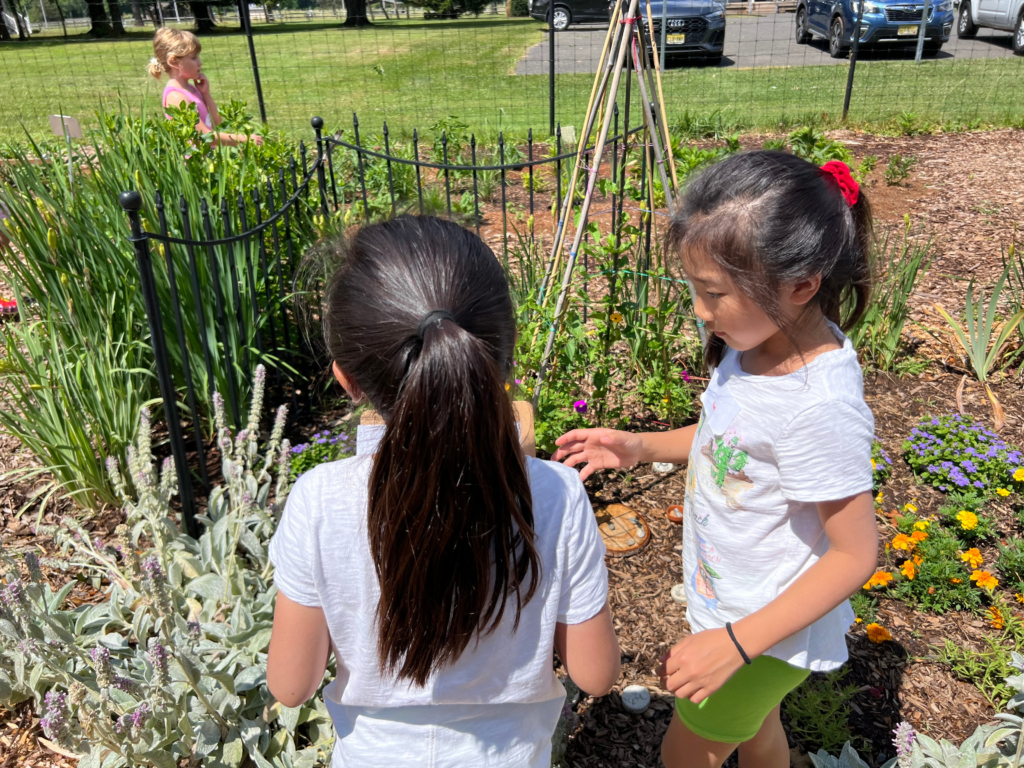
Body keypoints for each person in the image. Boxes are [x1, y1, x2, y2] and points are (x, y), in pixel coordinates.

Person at [553, 153, 879, 768]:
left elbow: (855, 554)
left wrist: (736, 644)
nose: (701, 312)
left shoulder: (817, 406)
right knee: (755, 732)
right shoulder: (758, 344)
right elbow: (726, 437)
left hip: (761, 634)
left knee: (687, 755)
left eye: (714, 294)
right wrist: (641, 446)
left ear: (801, 284)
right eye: (695, 290)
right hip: (738, 613)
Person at [266, 216, 620, 767]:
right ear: (501, 357)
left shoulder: (318, 501)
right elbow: (595, 674)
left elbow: (291, 685)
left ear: (347, 377)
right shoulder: (557, 495)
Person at [148, 28, 262, 147]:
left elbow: (216, 123)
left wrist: (205, 94)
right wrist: (244, 139)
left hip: (207, 159)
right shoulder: (176, 97)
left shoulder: (190, 89)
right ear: (174, 62)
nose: (200, 62)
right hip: (194, 162)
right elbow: (204, 135)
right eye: (193, 58)